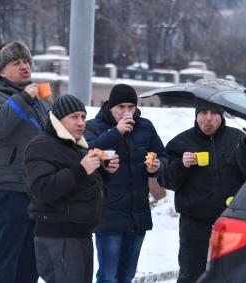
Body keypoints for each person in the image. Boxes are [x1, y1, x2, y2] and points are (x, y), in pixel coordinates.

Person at [24, 94, 118, 283]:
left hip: (80, 236)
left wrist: (105, 172)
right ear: (58, 119)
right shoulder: (41, 145)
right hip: (59, 237)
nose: (81, 122)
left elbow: (84, 186)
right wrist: (82, 169)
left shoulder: (75, 146)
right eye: (74, 117)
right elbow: (42, 190)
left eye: (83, 117)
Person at [0, 41, 49, 283]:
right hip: (9, 187)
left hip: (37, 187)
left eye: (26, 61)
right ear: (1, 70)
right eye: (16, 62)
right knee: (5, 253)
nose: (24, 66)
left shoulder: (37, 97)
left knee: (31, 255)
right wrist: (23, 99)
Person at [84, 83, 169, 283]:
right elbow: (87, 151)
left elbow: (163, 155)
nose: (126, 112)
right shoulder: (93, 127)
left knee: (127, 276)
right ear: (110, 107)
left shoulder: (145, 126)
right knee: (108, 276)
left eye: (131, 107)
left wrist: (157, 166)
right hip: (108, 215)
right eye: (121, 107)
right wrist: (116, 132)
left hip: (137, 214)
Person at [161, 99, 246, 283]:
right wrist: (181, 165)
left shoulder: (237, 139)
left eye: (214, 113)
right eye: (203, 113)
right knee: (191, 274)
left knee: (231, 274)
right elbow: (166, 181)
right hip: (194, 223)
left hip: (230, 221)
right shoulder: (180, 142)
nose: (209, 118)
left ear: (222, 116)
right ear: (196, 115)